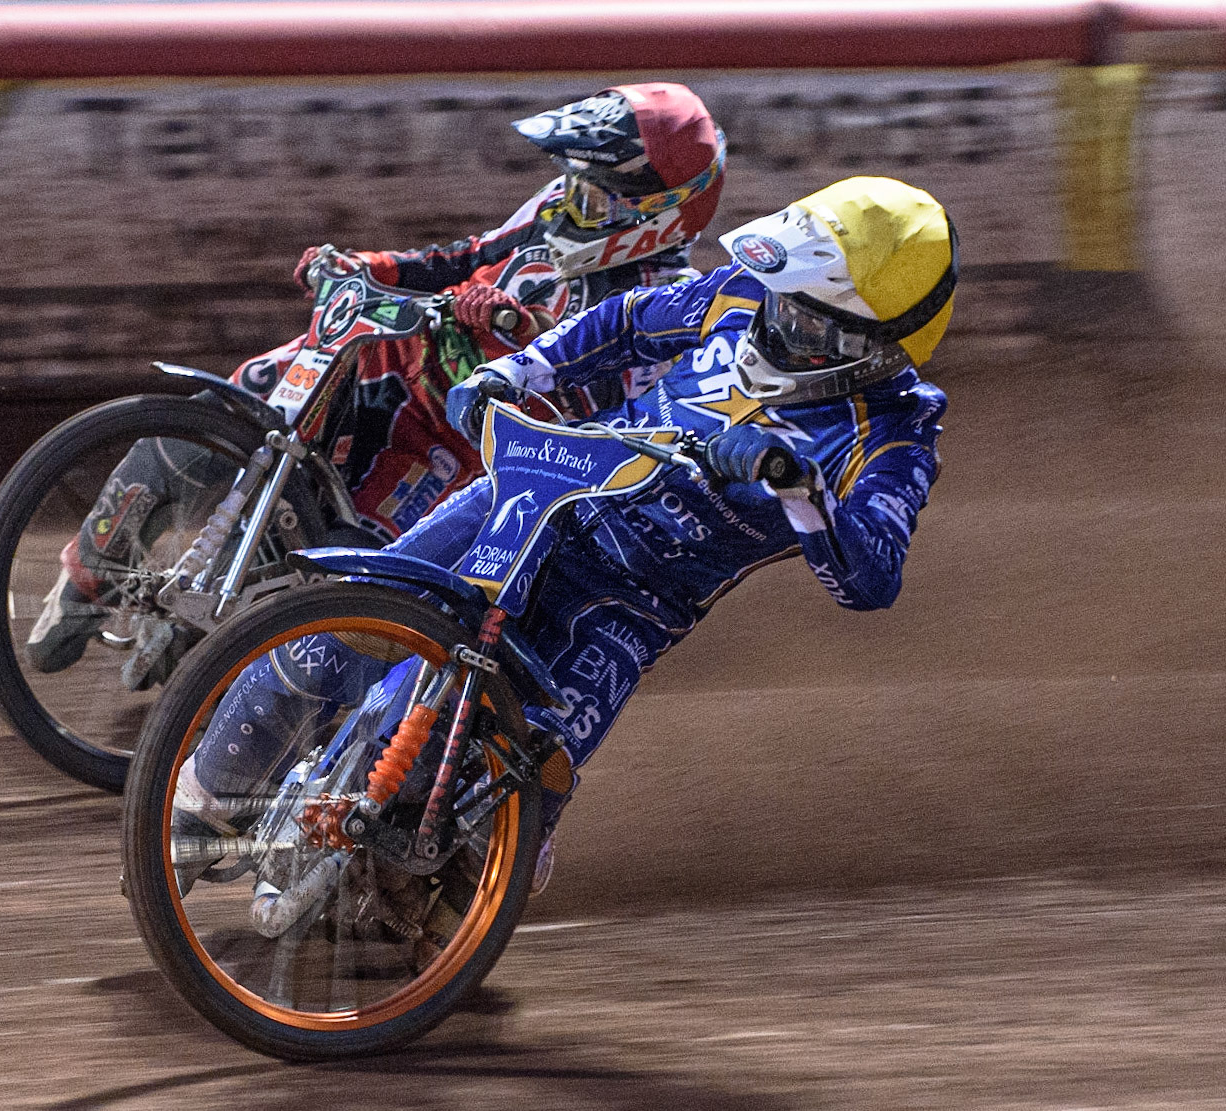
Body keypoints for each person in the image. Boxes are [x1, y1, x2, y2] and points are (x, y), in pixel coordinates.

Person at [177, 175, 956, 895]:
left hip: (633, 601)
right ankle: (191, 811)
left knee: (530, 772)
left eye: (806, 317)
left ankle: (440, 913)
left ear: (873, 345)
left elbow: (870, 579)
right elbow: (626, 323)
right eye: (782, 296)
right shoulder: (739, 293)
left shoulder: (896, 431)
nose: (776, 318)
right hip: (543, 486)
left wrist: (798, 486)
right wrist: (517, 373)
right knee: (345, 617)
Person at [28, 82, 728, 674]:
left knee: (350, 591)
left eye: (595, 195)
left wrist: (523, 339)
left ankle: (235, 696)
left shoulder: (660, 306)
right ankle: (87, 573)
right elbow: (464, 256)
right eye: (575, 182)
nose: (572, 203)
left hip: (450, 452)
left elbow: (598, 436)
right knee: (221, 413)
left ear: (658, 214)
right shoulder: (557, 208)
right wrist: (367, 265)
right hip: (381, 353)